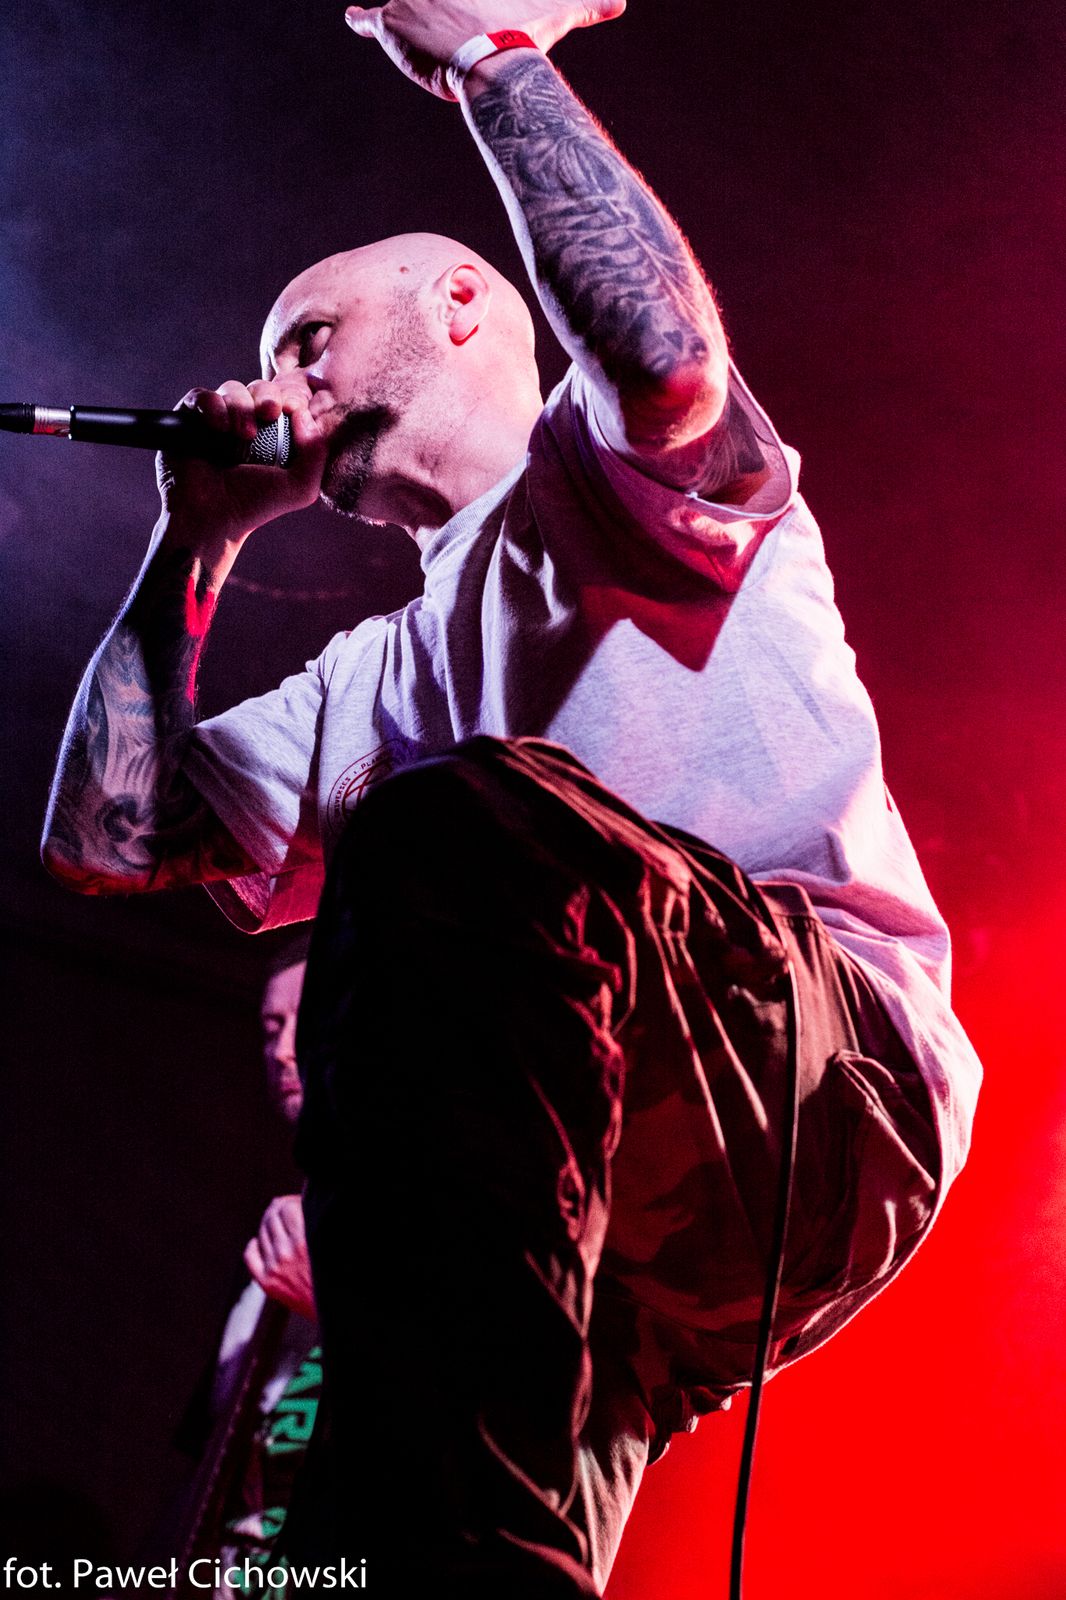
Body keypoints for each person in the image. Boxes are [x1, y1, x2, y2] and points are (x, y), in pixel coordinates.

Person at [41, 1, 982, 1593]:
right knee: (397, 1546)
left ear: (463, 305)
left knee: (448, 816)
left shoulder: (601, 469)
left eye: (309, 339)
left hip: (821, 1072)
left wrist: (493, 59)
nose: (278, 383)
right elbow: (103, 843)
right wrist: (195, 535)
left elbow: (666, 356)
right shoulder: (363, 681)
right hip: (618, 1247)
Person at [168, 937, 321, 1597]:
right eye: (270, 1028)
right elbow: (202, 1468)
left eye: (306, 1021)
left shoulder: (433, 1231)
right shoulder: (269, 1239)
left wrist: (330, 1304)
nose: (282, 1050)